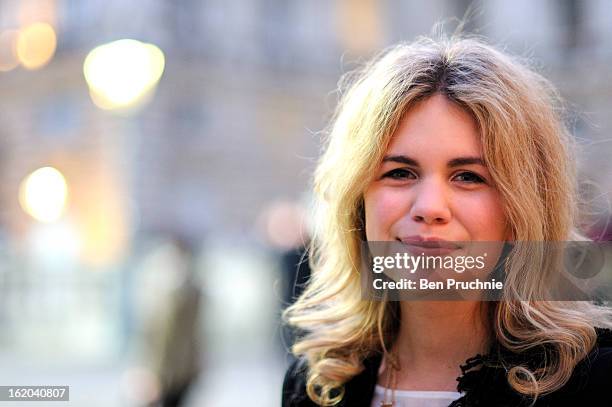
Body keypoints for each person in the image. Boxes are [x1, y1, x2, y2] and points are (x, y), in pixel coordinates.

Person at [281, 34, 612, 407]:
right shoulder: (316, 381)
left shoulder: (594, 383)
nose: (430, 207)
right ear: (358, 199)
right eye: (400, 173)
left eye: (469, 177)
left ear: (524, 207)